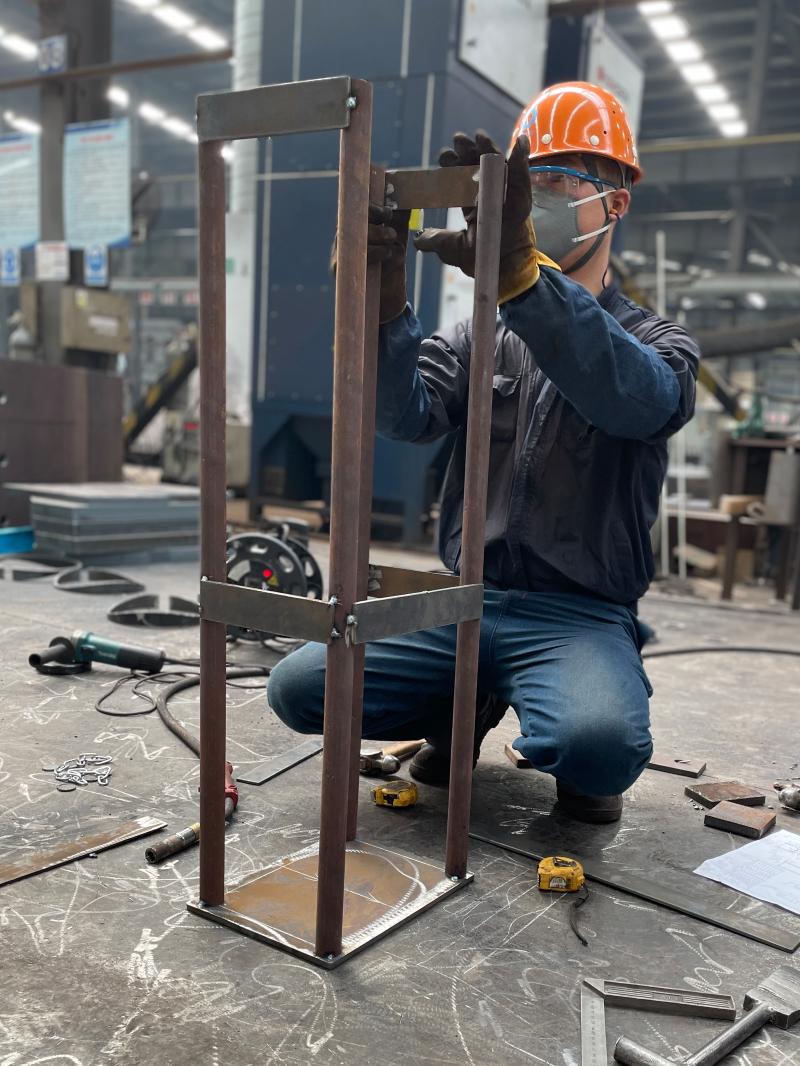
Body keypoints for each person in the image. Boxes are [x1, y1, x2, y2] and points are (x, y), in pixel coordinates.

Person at [267, 82, 699, 824]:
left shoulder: (658, 343)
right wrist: (383, 305)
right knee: (301, 688)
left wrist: (524, 281)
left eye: (562, 182)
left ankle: (572, 721)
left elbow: (633, 400)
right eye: (535, 183)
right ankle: (460, 709)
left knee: (597, 746)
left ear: (616, 203)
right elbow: (404, 415)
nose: (543, 199)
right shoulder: (480, 335)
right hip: (464, 598)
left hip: (578, 615)